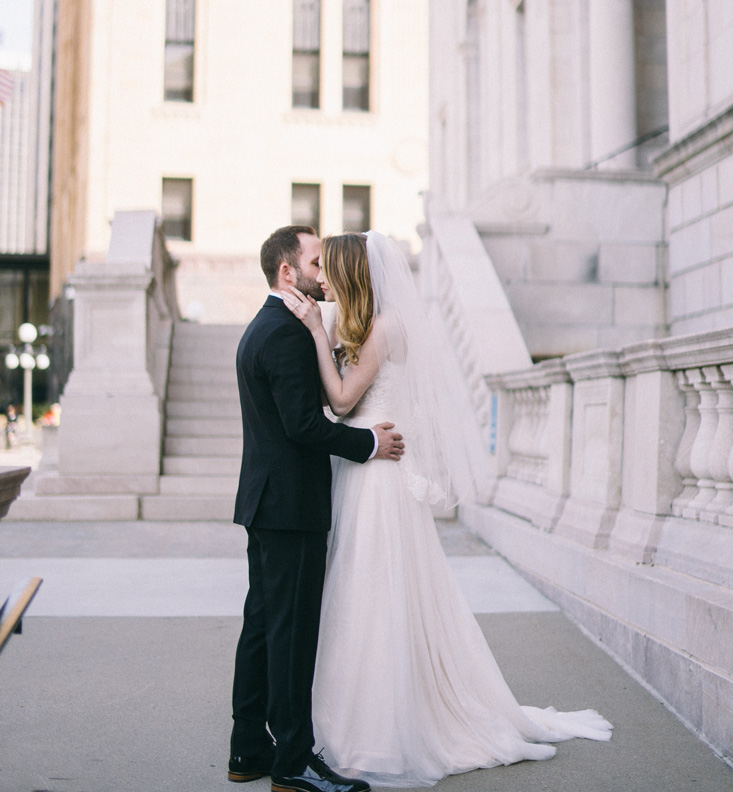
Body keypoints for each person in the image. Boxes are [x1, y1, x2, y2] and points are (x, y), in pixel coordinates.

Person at [283, 230, 613, 788]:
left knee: (377, 594)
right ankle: (346, 717)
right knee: (352, 594)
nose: (323, 278)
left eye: (330, 268)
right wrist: (324, 334)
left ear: (352, 272)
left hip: (381, 476)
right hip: (355, 468)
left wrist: (317, 331)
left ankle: (384, 728)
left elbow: (342, 399)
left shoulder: (386, 327)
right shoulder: (352, 323)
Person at [229, 225, 405, 792]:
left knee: (262, 626)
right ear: (288, 272)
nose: (321, 270)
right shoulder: (282, 331)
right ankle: (292, 764)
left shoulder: (270, 323)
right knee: (291, 635)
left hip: (268, 503)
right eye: (313, 260)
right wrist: (368, 444)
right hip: (290, 507)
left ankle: (248, 749)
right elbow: (304, 426)